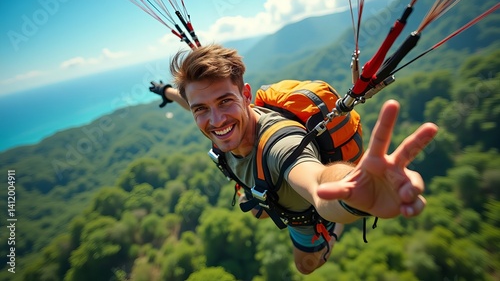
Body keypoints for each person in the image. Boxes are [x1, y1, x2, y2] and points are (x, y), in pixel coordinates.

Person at [149, 43, 438, 274]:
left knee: (306, 266)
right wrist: (166, 91)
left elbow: (314, 179)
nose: (216, 119)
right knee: (255, 208)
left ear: (246, 95)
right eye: (201, 109)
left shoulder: (280, 146)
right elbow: (189, 101)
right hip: (263, 186)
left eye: (225, 101)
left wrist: (353, 192)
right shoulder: (209, 113)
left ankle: (331, 227)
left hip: (302, 207)